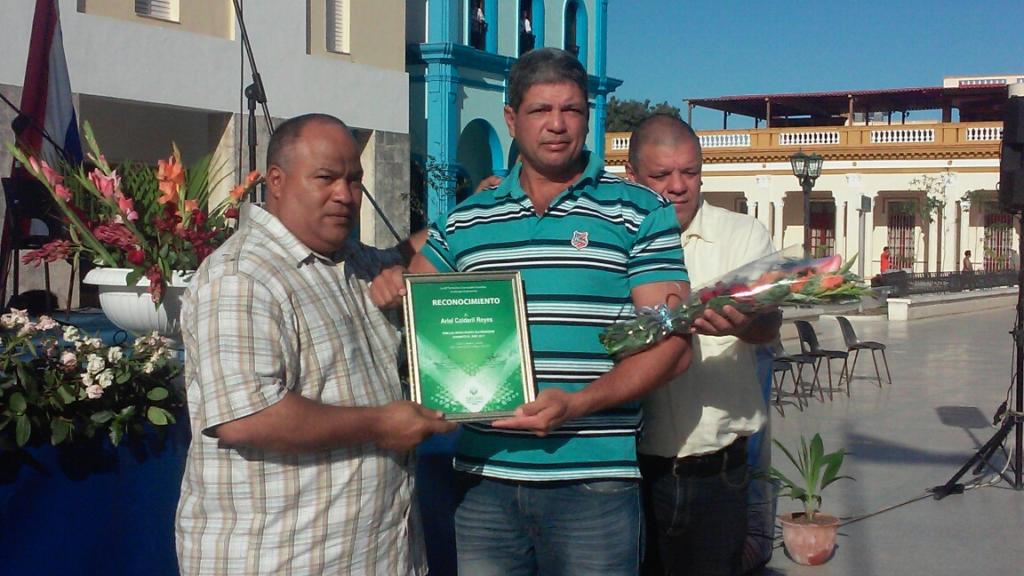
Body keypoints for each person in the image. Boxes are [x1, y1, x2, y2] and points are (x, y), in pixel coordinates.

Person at [401, 48, 691, 575]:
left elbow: (671, 347)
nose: (557, 125)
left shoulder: (638, 211)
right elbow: (415, 305)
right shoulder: (466, 222)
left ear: (588, 117)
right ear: (512, 119)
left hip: (594, 483)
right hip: (485, 479)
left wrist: (578, 404)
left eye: (572, 110)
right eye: (540, 110)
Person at [175, 113, 455, 575]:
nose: (345, 195)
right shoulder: (242, 276)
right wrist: (382, 424)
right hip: (282, 558)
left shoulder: (351, 261)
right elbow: (247, 418)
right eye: (326, 178)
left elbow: (408, 255)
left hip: (370, 553)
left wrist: (478, 214)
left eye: (354, 179)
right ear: (277, 181)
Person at [624, 114, 781, 576]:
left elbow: (770, 322)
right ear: (632, 176)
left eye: (689, 172)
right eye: (661, 175)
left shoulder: (743, 235)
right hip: (633, 471)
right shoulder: (617, 238)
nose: (677, 186)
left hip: (718, 472)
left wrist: (741, 325)